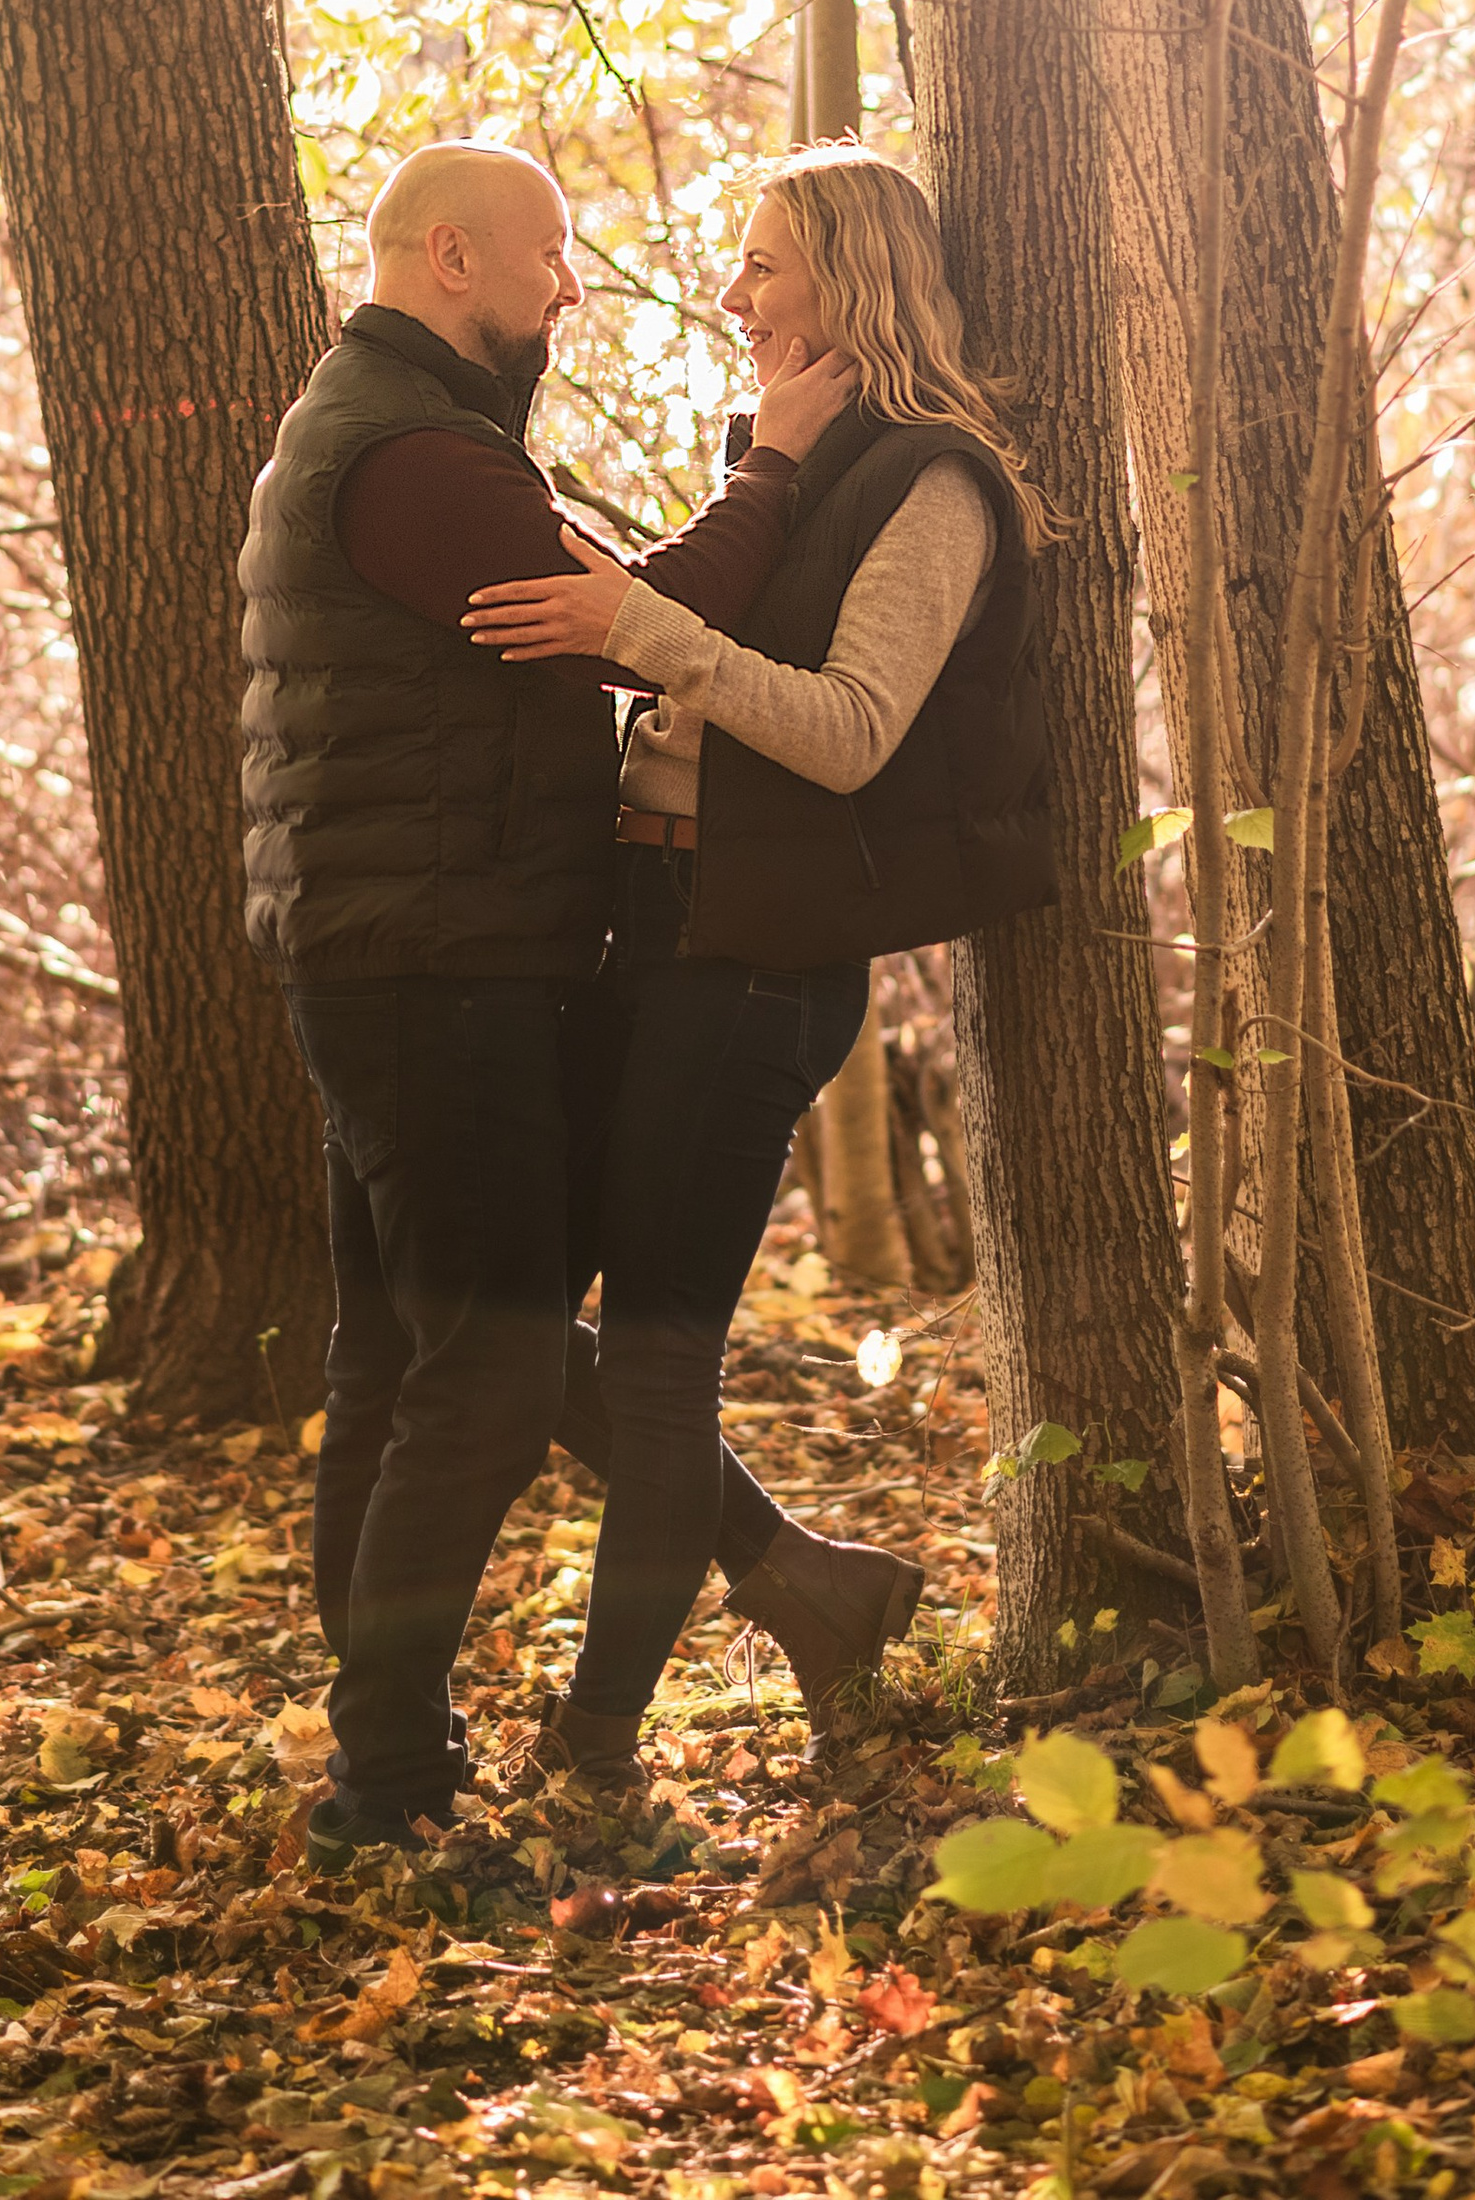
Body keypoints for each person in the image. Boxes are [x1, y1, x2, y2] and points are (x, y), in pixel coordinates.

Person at [239, 142, 903, 1858]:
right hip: (432, 971)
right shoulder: (412, 458)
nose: (572, 283)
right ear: (451, 257)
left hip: (411, 957)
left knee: (404, 1357)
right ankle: (389, 1783)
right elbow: (643, 625)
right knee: (489, 1366)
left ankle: (397, 1751)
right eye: (549, 253)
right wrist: (774, 467)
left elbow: (614, 601)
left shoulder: (409, 434)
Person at [463, 145, 1054, 1777]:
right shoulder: (787, 456)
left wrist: (638, 632)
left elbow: (852, 733)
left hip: (754, 968)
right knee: (508, 1321)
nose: (732, 295)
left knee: (659, 1362)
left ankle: (594, 1746)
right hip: (641, 932)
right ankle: (804, 1578)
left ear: (850, 284)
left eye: (764, 264)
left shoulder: (937, 485)